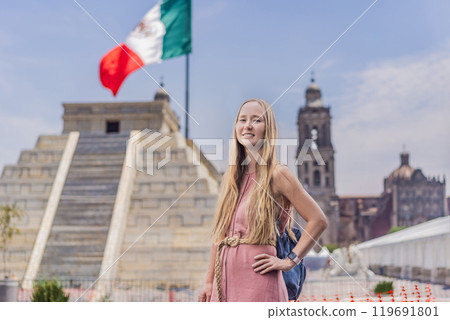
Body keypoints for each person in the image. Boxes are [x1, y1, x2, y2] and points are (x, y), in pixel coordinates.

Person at [198, 98, 328, 302]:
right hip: (223, 283)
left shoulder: (278, 174)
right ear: (236, 128)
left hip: (260, 283)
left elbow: (318, 220)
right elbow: (219, 235)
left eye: (256, 120)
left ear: (268, 130)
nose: (248, 125)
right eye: (242, 119)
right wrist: (208, 282)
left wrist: (289, 261)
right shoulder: (229, 180)